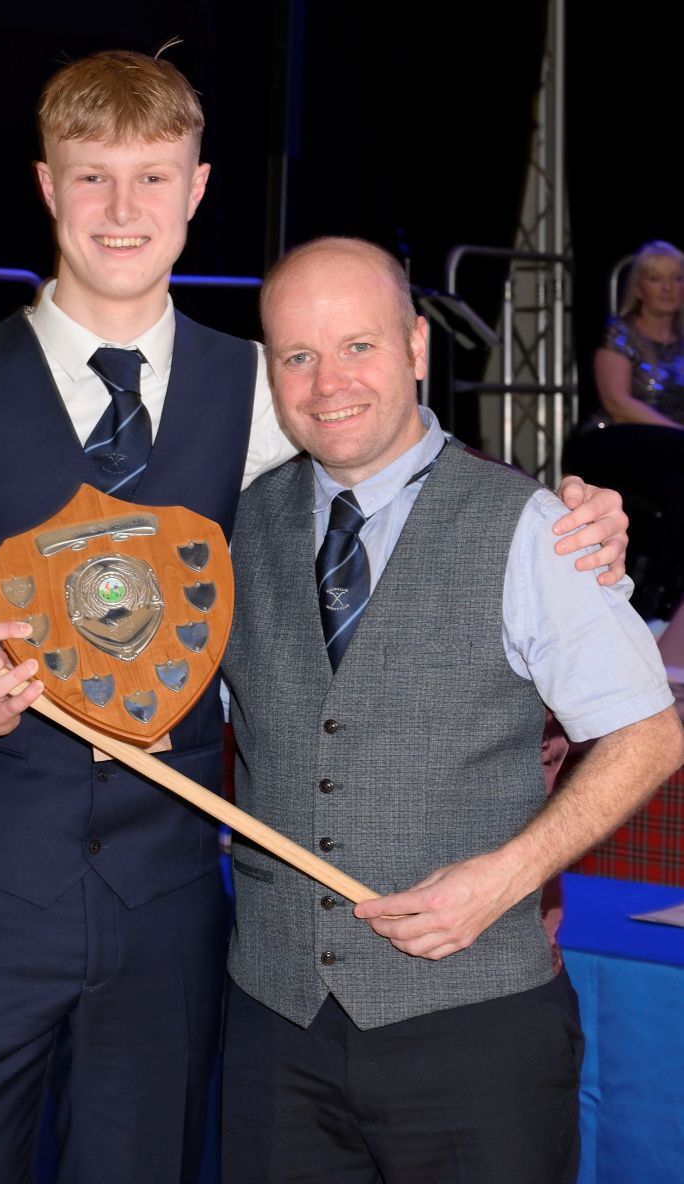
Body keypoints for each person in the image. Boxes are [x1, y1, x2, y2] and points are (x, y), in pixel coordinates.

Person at [0, 51, 627, 1184]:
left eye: (152, 177)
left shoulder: (269, 385)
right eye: (92, 176)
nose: (121, 209)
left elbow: (400, 479)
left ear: (197, 189)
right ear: (48, 187)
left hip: (174, 918)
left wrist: (571, 510)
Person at [220, 237, 684, 1184]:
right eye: (296, 355)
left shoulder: (534, 527)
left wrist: (506, 876)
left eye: (358, 346)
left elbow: (651, 733)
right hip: (276, 1032)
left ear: (418, 347)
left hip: (478, 1034)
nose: (327, 382)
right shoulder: (236, 529)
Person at [594, 239, 684, 427]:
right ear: (638, 289)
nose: (667, 288)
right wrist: (676, 432)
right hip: (627, 442)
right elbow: (617, 403)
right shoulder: (619, 334)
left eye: (677, 278)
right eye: (655, 279)